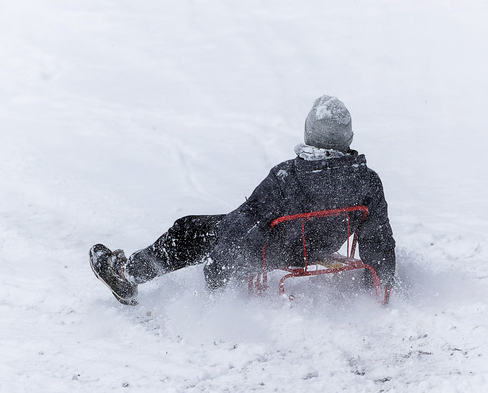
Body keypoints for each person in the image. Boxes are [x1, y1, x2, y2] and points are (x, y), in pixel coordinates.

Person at [89, 95, 396, 306]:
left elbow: (241, 230)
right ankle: (133, 272)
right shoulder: (367, 180)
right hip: (316, 245)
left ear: (310, 134)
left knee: (188, 230)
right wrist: (381, 283)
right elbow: (378, 238)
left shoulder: (286, 178)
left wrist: (216, 273)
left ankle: (128, 275)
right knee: (225, 225)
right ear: (348, 138)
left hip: (275, 251)